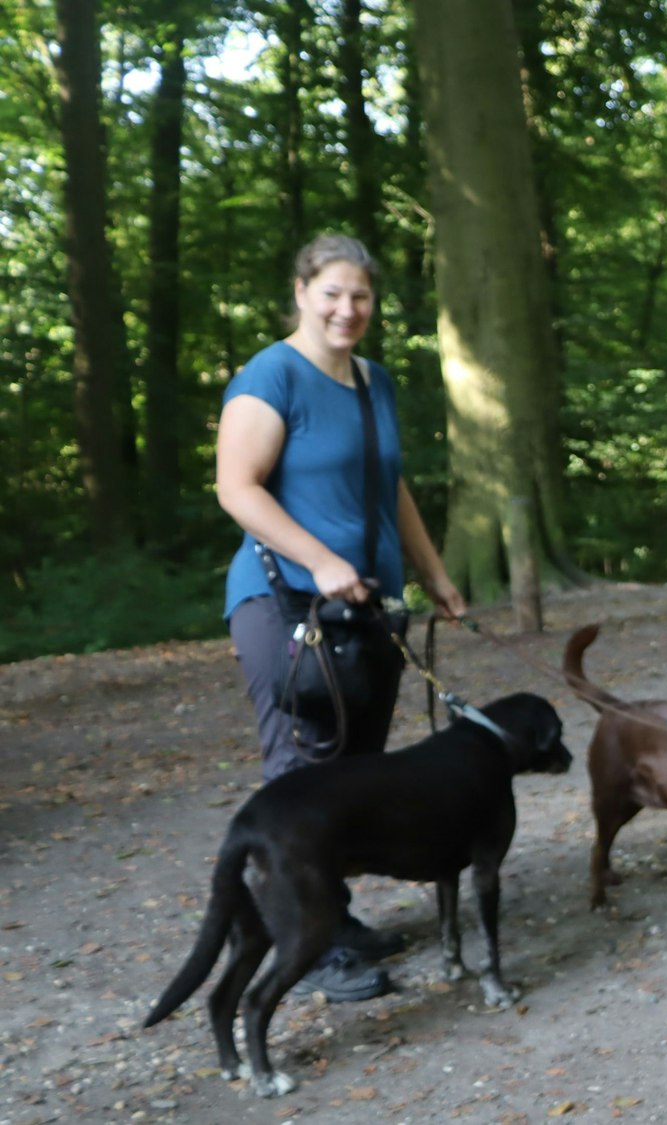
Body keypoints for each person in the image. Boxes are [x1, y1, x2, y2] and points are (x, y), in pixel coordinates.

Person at [216, 233, 468, 1000]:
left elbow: (391, 488)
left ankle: (336, 916)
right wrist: (319, 558)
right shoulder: (271, 375)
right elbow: (238, 486)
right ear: (301, 292)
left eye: (359, 296)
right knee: (302, 776)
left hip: (370, 610)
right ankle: (303, 939)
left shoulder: (373, 382)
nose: (346, 309)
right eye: (331, 293)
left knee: (355, 778)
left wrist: (434, 573)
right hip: (287, 605)